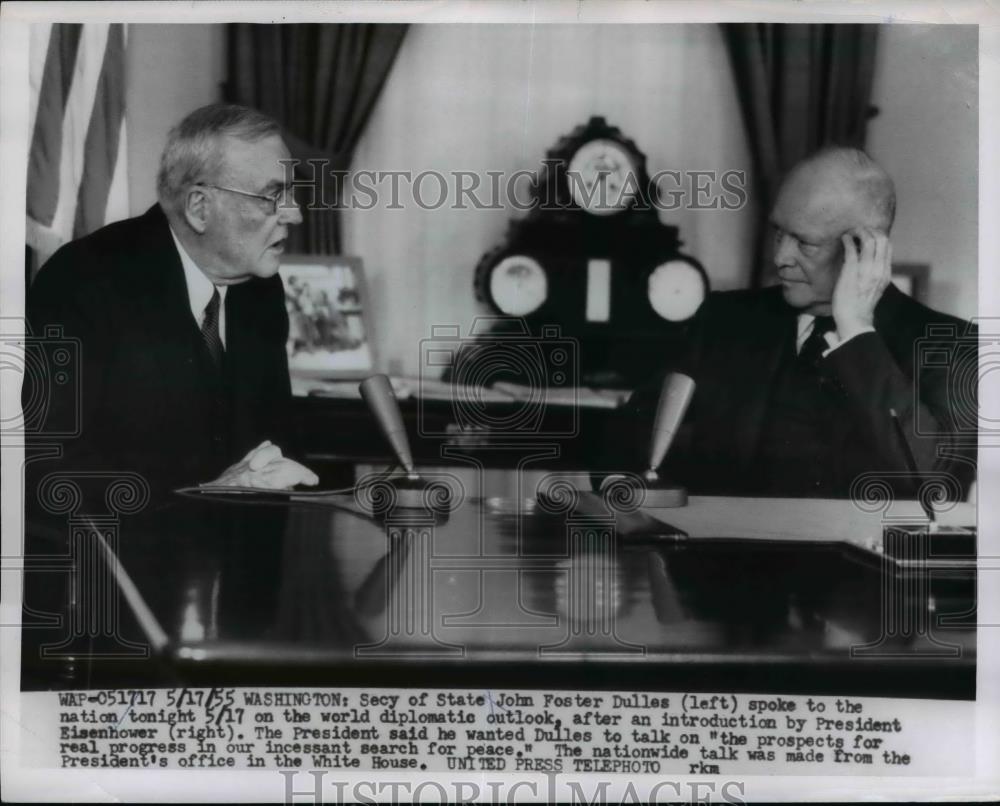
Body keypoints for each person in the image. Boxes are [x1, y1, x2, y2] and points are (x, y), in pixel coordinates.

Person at [617, 147, 976, 498]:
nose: (779, 257)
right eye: (778, 233)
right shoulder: (724, 319)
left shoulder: (954, 346)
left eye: (804, 243)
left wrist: (856, 330)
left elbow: (937, 489)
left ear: (864, 249)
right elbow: (633, 446)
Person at [25, 103, 318, 498]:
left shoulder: (260, 291)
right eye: (272, 197)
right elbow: (45, 469)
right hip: (112, 551)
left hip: (232, 546)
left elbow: (279, 445)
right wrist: (203, 491)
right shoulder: (84, 281)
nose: (295, 215)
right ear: (200, 208)